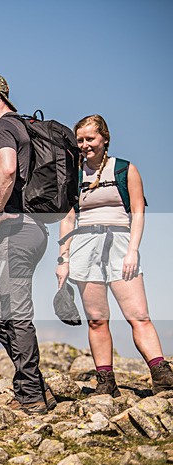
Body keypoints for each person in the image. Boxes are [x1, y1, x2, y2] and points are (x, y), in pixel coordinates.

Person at [56, 114, 173, 397]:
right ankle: (105, 382)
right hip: (84, 247)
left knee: (139, 315)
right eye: (80, 140)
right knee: (97, 319)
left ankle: (161, 374)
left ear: (104, 138)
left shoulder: (124, 169)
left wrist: (133, 250)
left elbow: (138, 211)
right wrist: (63, 258)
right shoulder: (74, 175)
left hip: (121, 245)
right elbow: (68, 219)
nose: (84, 145)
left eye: (90, 139)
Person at [0, 72, 56, 415]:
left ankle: (31, 396)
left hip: (16, 232)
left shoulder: (2, 127)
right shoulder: (26, 126)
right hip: (34, 231)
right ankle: (32, 384)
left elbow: (6, 171)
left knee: (14, 313)